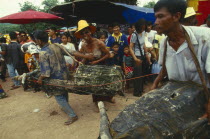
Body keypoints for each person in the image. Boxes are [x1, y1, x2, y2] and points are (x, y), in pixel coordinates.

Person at [151, 0, 210, 122]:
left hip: (203, 101)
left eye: (160, 16)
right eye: (156, 17)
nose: (156, 22)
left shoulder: (205, 38)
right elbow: (164, 69)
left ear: (176, 16)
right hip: (179, 101)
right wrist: (155, 85)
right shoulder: (164, 44)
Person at [74, 20, 114, 110]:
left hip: (102, 65)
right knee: (94, 85)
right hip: (91, 67)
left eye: (87, 32)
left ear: (90, 32)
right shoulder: (83, 45)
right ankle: (97, 102)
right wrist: (82, 63)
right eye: (82, 33)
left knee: (104, 84)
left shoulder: (99, 43)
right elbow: (82, 56)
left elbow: (108, 54)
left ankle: (109, 98)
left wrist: (97, 61)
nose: (85, 35)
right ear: (81, 36)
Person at [129, 19, 151, 97]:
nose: (143, 28)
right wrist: (135, 58)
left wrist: (146, 54)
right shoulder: (134, 35)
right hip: (137, 56)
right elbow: (130, 48)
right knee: (137, 75)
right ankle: (136, 92)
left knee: (142, 74)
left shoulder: (144, 32)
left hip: (143, 55)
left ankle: (141, 90)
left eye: (144, 26)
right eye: (141, 26)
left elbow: (143, 44)